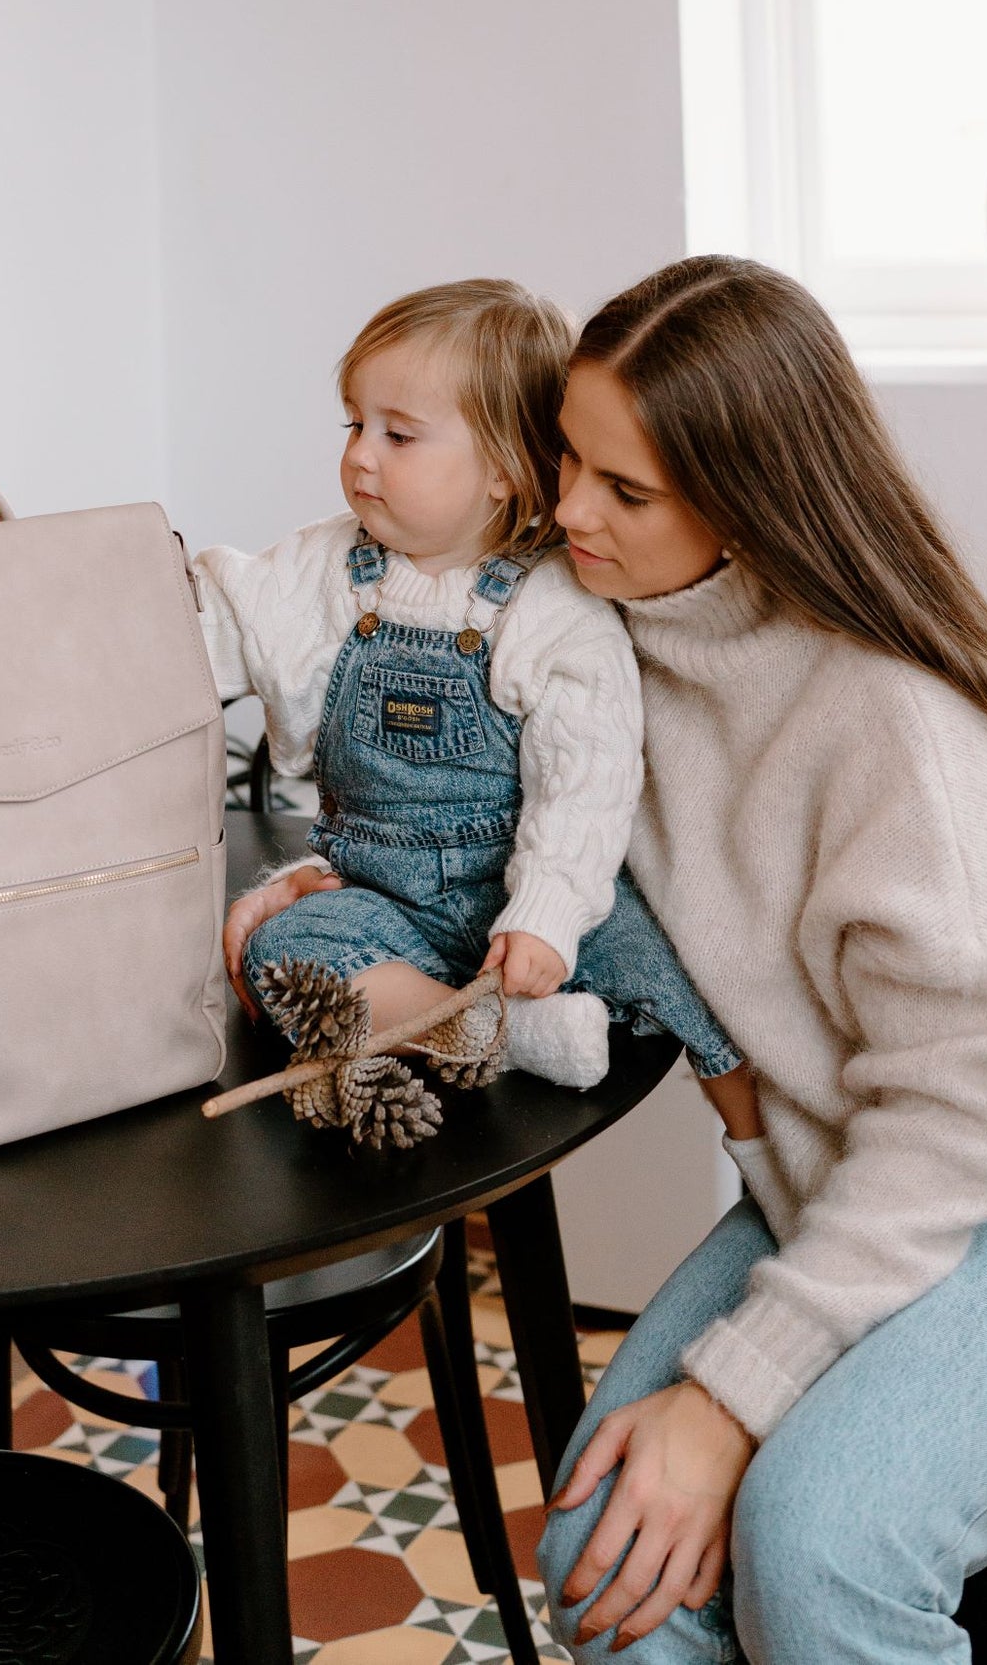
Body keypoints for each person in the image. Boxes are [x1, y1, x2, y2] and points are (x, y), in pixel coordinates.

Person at [535, 254, 987, 1665]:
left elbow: (959, 1113)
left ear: (746, 506)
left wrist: (734, 1394)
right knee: (600, 1541)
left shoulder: (892, 718)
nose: (566, 511)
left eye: (623, 491)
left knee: (818, 1547)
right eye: (566, 458)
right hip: (854, 1178)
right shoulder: (600, 660)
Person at [199, 277, 751, 1108]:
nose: (360, 455)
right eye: (356, 424)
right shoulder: (324, 569)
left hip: (524, 891)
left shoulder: (551, 604)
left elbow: (586, 777)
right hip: (381, 897)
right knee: (284, 953)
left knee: (678, 967)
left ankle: (754, 1133)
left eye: (400, 434)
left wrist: (546, 915)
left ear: (499, 468)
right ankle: (496, 1033)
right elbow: (222, 621)